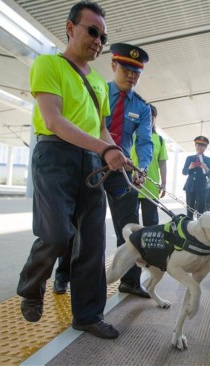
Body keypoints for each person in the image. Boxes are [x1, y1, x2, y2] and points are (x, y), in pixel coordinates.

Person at [17, 1, 133, 339]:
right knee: (56, 234)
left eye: (103, 36)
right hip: (55, 156)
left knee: (93, 244)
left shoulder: (99, 83)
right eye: (92, 31)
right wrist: (103, 147)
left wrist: (117, 155)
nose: (98, 40)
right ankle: (32, 285)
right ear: (70, 28)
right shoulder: (48, 64)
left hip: (91, 163)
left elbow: (100, 130)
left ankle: (87, 315)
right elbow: (53, 120)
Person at [52, 42, 154, 299]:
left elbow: (144, 141)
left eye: (137, 72)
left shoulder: (141, 107)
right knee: (76, 223)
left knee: (130, 227)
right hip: (91, 164)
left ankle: (130, 281)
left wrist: (141, 168)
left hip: (121, 171)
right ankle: (63, 274)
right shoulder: (97, 91)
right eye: (127, 69)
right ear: (113, 66)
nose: (132, 75)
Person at [131, 104, 168, 226]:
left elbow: (162, 163)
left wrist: (164, 183)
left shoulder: (159, 140)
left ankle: (150, 246)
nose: (150, 119)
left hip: (151, 186)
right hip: (131, 185)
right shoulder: (131, 136)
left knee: (151, 223)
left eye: (152, 117)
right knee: (130, 221)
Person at [182, 136, 210, 218]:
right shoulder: (190, 158)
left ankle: (199, 229)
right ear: (195, 146)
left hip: (201, 188)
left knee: (200, 212)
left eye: (202, 146)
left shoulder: (208, 160)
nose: (200, 147)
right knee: (189, 211)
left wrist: (206, 168)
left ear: (205, 147)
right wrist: (189, 167)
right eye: (198, 145)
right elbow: (184, 172)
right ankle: (189, 228)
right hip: (190, 187)